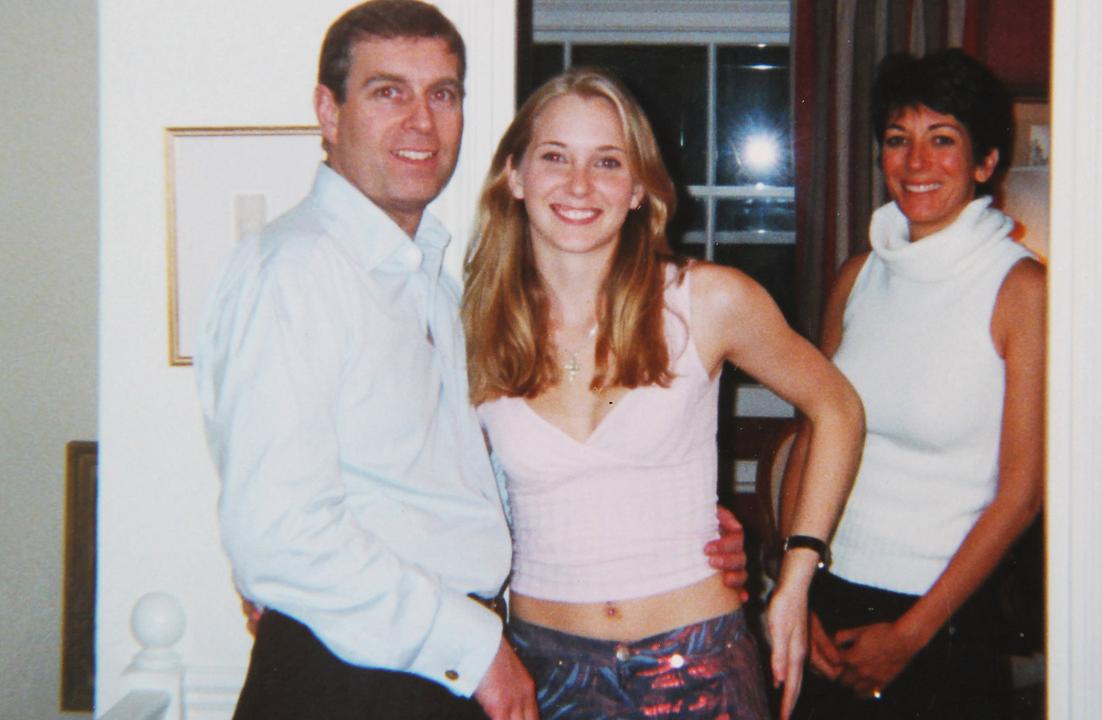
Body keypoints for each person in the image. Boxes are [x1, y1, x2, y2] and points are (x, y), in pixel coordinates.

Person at [195, 4, 747, 719]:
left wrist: (665, 526)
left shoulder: (438, 287)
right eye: (388, 91)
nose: (421, 121)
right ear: (328, 112)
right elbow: (277, 533)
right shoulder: (295, 271)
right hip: (357, 672)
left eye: (443, 94)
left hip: (441, 665)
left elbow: (464, 486)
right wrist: (476, 647)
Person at [461, 67, 866, 720]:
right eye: (555, 156)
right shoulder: (471, 328)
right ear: (515, 175)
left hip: (700, 664)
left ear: (640, 190)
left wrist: (796, 576)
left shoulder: (707, 301)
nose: (578, 185)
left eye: (608, 162)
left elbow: (838, 406)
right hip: (540, 675)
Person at [781, 48, 1047, 718]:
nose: (916, 162)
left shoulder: (1022, 291)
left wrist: (912, 635)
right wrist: (794, 585)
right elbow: (812, 440)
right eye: (898, 140)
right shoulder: (858, 276)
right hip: (828, 599)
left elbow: (1021, 494)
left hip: (944, 621)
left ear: (987, 163)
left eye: (943, 140)